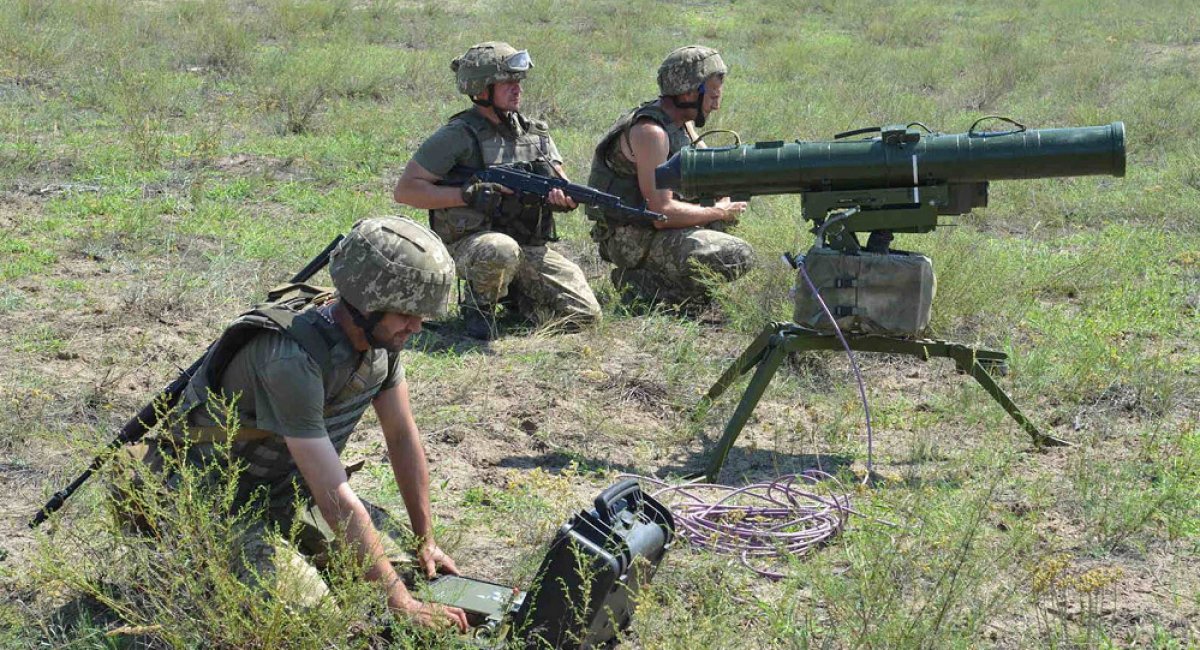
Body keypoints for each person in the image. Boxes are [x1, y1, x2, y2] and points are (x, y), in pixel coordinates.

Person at [121, 217, 469, 632]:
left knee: (413, 571)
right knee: (316, 623)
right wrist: (401, 604)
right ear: (366, 303)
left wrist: (425, 539)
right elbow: (333, 493)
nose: (416, 327)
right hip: (215, 502)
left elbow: (401, 436)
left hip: (287, 494)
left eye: (421, 315)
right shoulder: (291, 358)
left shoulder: (380, 343)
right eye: (406, 314)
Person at [393, 42, 601, 340]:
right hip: (471, 245)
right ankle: (479, 310)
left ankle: (518, 296)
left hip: (527, 245)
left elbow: (561, 182)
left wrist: (561, 201)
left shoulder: (535, 134)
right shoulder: (458, 135)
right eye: (507, 83)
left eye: (518, 81)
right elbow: (406, 190)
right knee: (500, 248)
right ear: (481, 89)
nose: (517, 89)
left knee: (584, 315)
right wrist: (467, 195)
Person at [586, 45, 754, 309]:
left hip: (651, 226)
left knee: (725, 225)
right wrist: (719, 211)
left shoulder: (681, 122)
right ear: (688, 94)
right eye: (712, 96)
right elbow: (661, 213)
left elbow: (708, 175)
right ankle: (644, 287)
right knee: (737, 253)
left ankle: (677, 287)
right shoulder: (651, 133)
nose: (716, 105)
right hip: (630, 237)